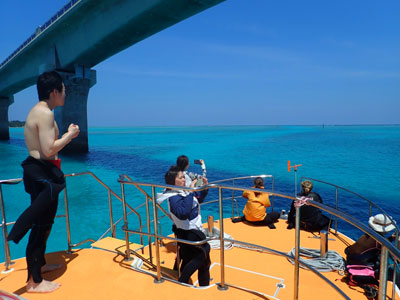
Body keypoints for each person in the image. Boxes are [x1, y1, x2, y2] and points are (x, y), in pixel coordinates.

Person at [7, 71, 80, 293]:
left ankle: (40, 264)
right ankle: (34, 282)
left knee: (46, 223)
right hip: (41, 173)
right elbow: (49, 149)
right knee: (40, 226)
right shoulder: (45, 114)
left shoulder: (42, 111)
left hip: (43, 170)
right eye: (64, 90)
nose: (66, 93)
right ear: (54, 92)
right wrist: (70, 134)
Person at [157, 166, 211, 286]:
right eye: (181, 178)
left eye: (183, 177)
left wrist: (205, 187)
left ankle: (204, 287)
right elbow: (183, 214)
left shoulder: (183, 192)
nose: (184, 180)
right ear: (173, 181)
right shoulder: (173, 197)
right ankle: (182, 280)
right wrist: (191, 192)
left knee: (204, 263)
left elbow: (198, 199)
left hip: (193, 231)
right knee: (204, 252)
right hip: (190, 233)